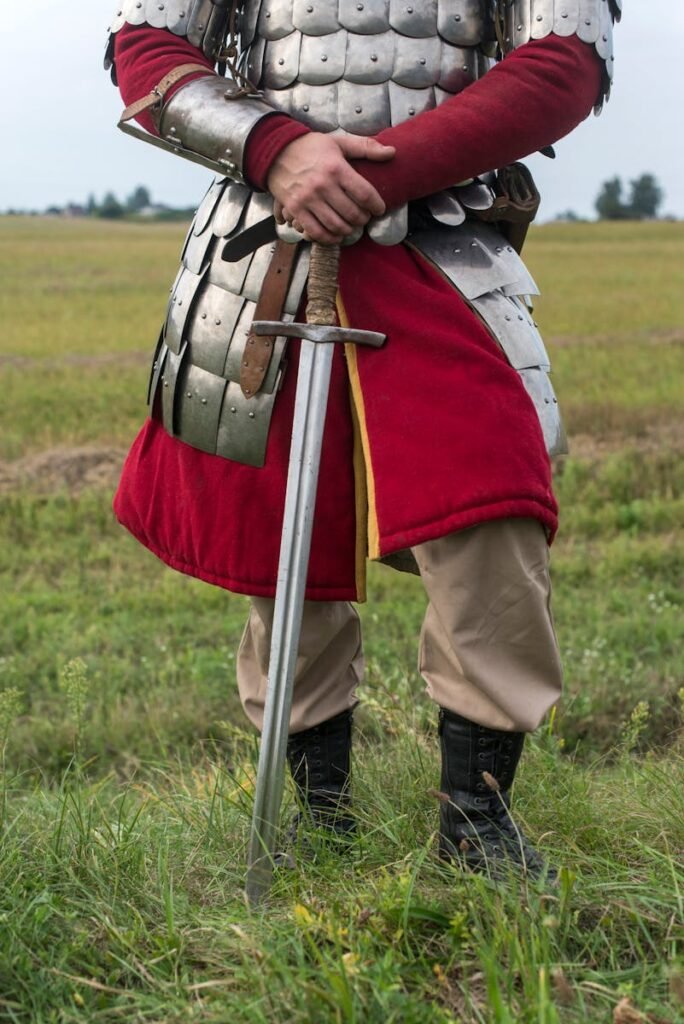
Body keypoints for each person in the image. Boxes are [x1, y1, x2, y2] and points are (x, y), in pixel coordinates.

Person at [106, 0, 619, 880]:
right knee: (284, 543)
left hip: (443, 247)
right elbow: (146, 48)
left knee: (490, 512)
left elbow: (563, 63)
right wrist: (280, 151)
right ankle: (318, 816)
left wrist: (370, 176)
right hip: (264, 246)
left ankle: (478, 826)